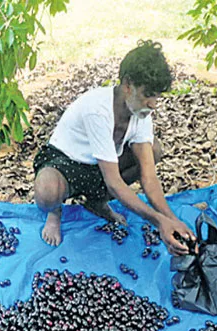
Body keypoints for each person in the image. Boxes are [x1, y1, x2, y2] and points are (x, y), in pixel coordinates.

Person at [32, 40, 196, 256]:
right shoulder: (98, 110)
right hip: (67, 163)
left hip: (100, 168)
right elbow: (114, 182)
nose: (154, 104)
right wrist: (158, 221)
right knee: (47, 190)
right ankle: (55, 213)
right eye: (148, 94)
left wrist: (171, 220)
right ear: (128, 85)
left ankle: (96, 202)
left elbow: (148, 177)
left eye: (157, 96)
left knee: (154, 150)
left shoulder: (140, 112)